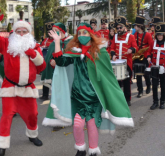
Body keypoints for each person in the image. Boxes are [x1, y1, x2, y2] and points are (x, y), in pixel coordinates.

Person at [46, 22, 134, 156]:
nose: (82, 36)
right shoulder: (74, 52)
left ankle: (93, 151)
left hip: (93, 97)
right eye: (79, 33)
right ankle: (80, 149)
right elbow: (61, 62)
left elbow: (107, 75)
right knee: (77, 125)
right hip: (77, 96)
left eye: (85, 33)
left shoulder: (100, 52)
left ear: (91, 35)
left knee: (92, 125)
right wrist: (57, 42)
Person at [0, 8, 46, 156]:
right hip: (10, 87)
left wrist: (33, 54)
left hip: (27, 88)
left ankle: (32, 135)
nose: (21, 34)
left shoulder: (35, 46)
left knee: (32, 114)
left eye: (24, 31)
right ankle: (2, 146)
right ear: (14, 33)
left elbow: (42, 67)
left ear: (29, 33)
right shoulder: (6, 44)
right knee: (6, 116)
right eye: (18, 31)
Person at [41, 23, 73, 125]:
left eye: (57, 30)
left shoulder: (72, 42)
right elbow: (50, 57)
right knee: (59, 93)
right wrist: (52, 61)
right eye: (53, 30)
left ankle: (72, 115)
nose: (55, 32)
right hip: (59, 73)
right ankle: (58, 118)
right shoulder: (53, 43)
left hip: (70, 72)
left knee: (71, 93)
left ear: (63, 31)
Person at [109, 16, 138, 106]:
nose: (119, 29)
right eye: (117, 28)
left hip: (127, 62)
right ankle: (118, 99)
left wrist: (131, 50)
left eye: (120, 27)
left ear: (125, 27)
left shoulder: (131, 36)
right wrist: (113, 55)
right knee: (116, 82)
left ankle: (127, 99)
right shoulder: (115, 37)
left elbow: (136, 48)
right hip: (117, 63)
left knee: (126, 82)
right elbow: (112, 48)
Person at [133, 16, 153, 97]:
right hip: (137, 56)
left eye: (136, 26)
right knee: (138, 75)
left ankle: (148, 86)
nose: (134, 27)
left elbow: (151, 47)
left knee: (146, 74)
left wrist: (148, 56)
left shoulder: (147, 35)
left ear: (140, 26)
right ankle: (140, 91)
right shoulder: (134, 34)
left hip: (145, 56)